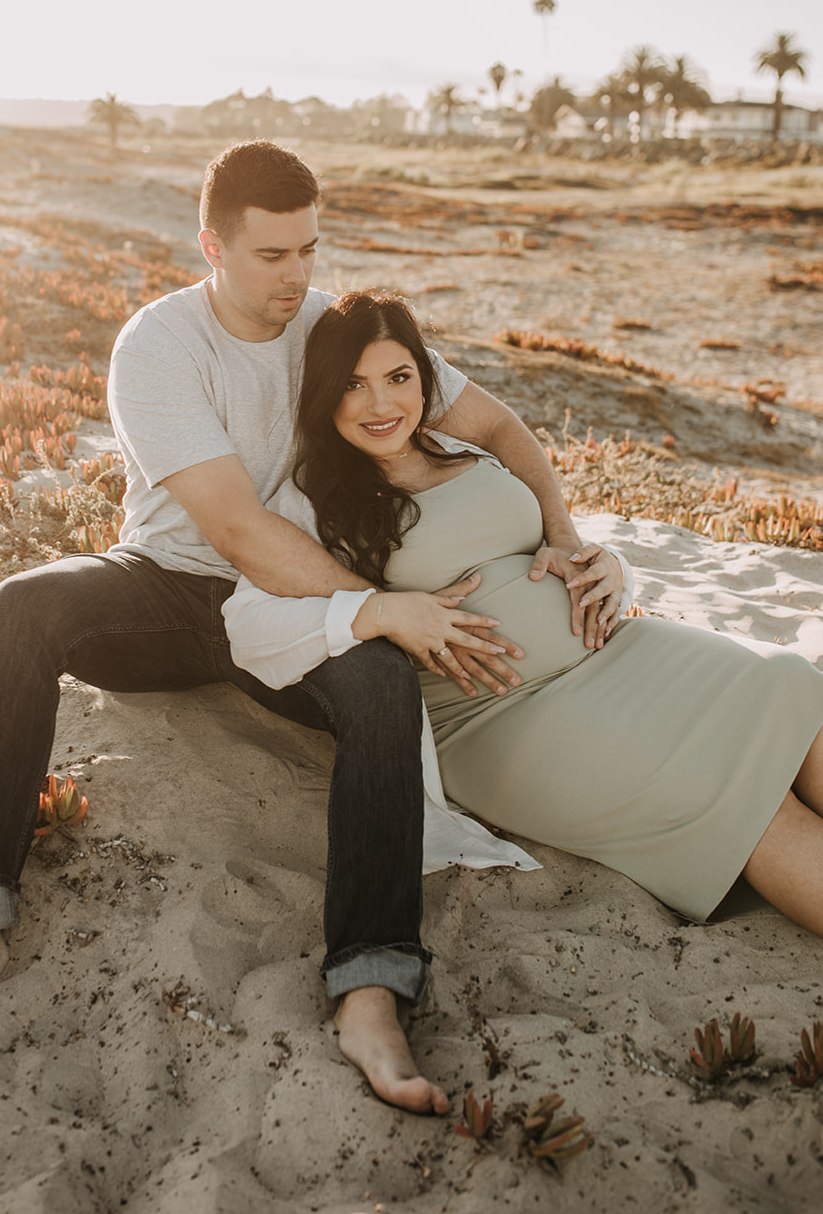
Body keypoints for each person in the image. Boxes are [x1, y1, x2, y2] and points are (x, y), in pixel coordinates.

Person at [0, 142, 617, 1115]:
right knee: (25, 603)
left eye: (307, 250)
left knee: (378, 680)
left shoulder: (331, 327)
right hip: (166, 588)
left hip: (294, 598)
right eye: (271, 255)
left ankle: (368, 988)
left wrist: (568, 531)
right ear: (211, 245)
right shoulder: (158, 346)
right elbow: (236, 530)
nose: (296, 277)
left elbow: (498, 425)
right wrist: (372, 605)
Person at [223, 289, 823, 936]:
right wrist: (377, 613)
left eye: (398, 378)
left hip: (624, 654)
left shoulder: (460, 451)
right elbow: (246, 625)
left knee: (792, 688)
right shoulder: (312, 502)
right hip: (504, 717)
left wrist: (607, 567)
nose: (380, 404)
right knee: (743, 806)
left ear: (424, 380)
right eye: (352, 385)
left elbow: (541, 543)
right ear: (323, 395)